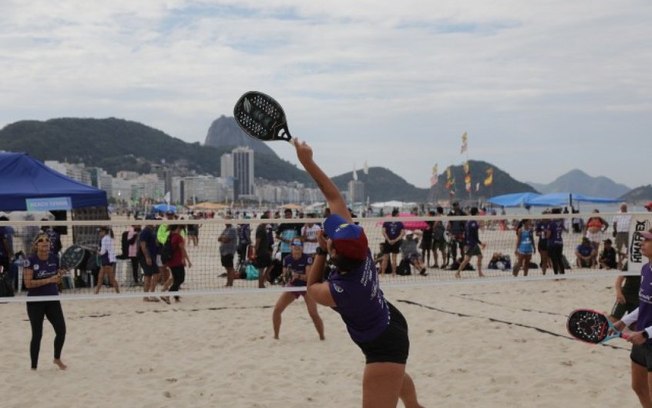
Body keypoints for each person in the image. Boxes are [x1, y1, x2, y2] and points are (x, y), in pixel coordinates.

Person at [293, 138, 422, 408]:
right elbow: (334, 197)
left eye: (331, 238)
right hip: (389, 320)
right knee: (403, 391)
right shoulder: (359, 248)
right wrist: (308, 162)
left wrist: (319, 253)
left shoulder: (341, 291)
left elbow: (312, 288)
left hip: (383, 344)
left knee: (388, 376)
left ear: (334, 254)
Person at [613, 229, 652, 407]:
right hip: (641, 338)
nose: (641, 243)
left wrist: (645, 334)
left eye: (647, 240)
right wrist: (624, 321)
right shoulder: (645, 269)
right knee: (638, 386)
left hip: (648, 338)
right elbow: (643, 305)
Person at [23, 233, 67, 370]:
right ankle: (34, 367)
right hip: (36, 301)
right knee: (37, 334)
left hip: (52, 299)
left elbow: (57, 278)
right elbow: (28, 284)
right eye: (41, 240)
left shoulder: (54, 258)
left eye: (47, 240)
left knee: (61, 330)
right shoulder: (30, 261)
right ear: (36, 245)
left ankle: (57, 358)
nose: (45, 242)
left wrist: (59, 277)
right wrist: (49, 280)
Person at [272, 239, 325, 340]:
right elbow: (285, 276)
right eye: (295, 248)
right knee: (277, 310)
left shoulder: (307, 258)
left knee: (313, 313)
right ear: (291, 248)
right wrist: (287, 278)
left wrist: (297, 276)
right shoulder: (287, 259)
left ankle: (322, 337)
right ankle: (276, 337)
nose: (297, 250)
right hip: (294, 286)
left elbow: (309, 277)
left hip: (307, 287)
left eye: (299, 248)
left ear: (302, 248)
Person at [455, 207, 486, 279]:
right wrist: (481, 243)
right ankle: (457, 273)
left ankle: (480, 273)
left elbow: (466, 234)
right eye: (478, 213)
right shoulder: (473, 223)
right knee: (466, 260)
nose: (479, 214)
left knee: (480, 256)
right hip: (472, 244)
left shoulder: (468, 222)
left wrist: (465, 243)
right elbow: (474, 236)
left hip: (472, 243)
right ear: (476, 213)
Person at [165, 224, 191, 302]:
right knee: (180, 279)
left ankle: (176, 297)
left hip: (170, 261)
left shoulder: (170, 236)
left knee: (176, 279)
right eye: (181, 228)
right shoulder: (178, 237)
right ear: (178, 228)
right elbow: (182, 249)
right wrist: (185, 259)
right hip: (177, 261)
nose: (181, 230)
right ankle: (167, 294)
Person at [138, 224, 160, 302]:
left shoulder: (151, 231)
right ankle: (150, 295)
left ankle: (146, 296)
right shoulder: (145, 231)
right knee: (156, 273)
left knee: (149, 275)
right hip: (146, 257)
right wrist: (147, 257)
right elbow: (143, 246)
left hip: (151, 256)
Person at [380, 208, 405, 276]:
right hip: (394, 242)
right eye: (398, 214)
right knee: (392, 258)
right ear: (396, 215)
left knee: (386, 258)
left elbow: (383, 232)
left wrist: (389, 240)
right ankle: (393, 273)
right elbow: (402, 234)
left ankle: (383, 273)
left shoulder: (387, 222)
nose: (399, 215)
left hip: (389, 242)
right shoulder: (399, 223)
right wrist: (395, 240)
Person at [95, 226, 119, 294]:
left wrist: (98, 252)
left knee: (110, 279)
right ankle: (96, 292)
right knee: (101, 277)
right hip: (108, 260)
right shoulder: (108, 238)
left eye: (100, 232)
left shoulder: (105, 239)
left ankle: (118, 292)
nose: (99, 233)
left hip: (107, 260)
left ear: (104, 232)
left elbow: (103, 251)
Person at [546, 209, 566, 275]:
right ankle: (562, 274)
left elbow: (548, 235)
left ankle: (556, 275)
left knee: (554, 260)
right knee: (559, 259)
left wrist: (546, 234)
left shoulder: (551, 223)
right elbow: (564, 230)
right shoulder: (561, 223)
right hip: (560, 243)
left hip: (553, 243)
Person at [218, 219, 238, 287]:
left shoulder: (232, 229)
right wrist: (223, 238)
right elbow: (219, 239)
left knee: (230, 268)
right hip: (223, 251)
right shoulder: (226, 229)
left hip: (229, 251)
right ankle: (228, 283)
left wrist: (223, 238)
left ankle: (230, 283)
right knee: (227, 268)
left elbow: (226, 239)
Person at [613, 203, 632, 269]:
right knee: (618, 248)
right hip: (619, 232)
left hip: (627, 232)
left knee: (629, 247)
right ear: (620, 208)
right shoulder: (617, 213)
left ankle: (626, 260)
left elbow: (632, 222)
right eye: (622, 207)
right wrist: (615, 231)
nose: (623, 208)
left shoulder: (630, 213)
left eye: (624, 207)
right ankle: (620, 262)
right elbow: (614, 223)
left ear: (626, 207)